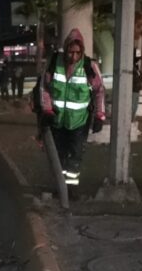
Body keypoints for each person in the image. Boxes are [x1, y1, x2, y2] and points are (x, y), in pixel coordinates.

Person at [38, 28, 106, 189]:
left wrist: (99, 115)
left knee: (75, 157)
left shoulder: (90, 67)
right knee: (58, 157)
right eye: (70, 52)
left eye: (77, 53)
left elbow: (99, 91)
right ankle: (60, 189)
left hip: (79, 122)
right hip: (57, 120)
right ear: (66, 49)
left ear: (81, 51)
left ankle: (71, 190)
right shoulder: (54, 63)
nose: (73, 56)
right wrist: (47, 110)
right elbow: (44, 89)